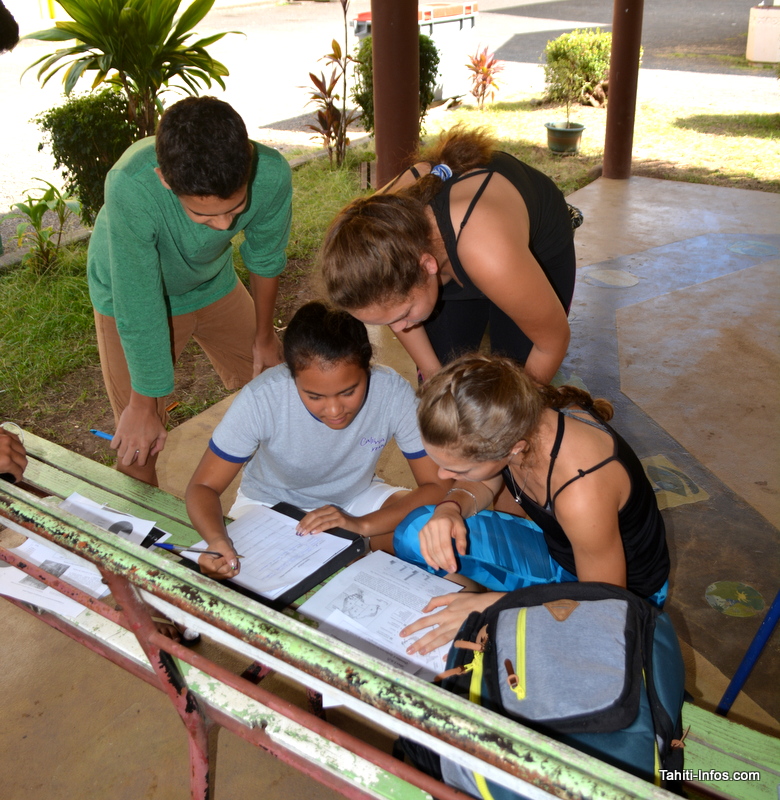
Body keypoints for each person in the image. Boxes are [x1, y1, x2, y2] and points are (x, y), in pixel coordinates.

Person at [394, 353, 670, 657]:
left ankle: (476, 613)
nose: (441, 476)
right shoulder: (516, 416)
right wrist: (451, 507)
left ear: (513, 449)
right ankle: (465, 610)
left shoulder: (581, 493)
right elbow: (487, 479)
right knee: (418, 532)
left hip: (619, 597)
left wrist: (495, 605)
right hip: (564, 557)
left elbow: (602, 606)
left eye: (458, 470)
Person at [87, 96, 292, 486]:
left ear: (247, 161)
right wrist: (145, 402)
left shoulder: (270, 174)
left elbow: (265, 259)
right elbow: (139, 300)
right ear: (165, 178)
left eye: (235, 208)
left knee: (277, 389)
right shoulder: (131, 185)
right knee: (139, 440)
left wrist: (265, 337)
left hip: (213, 283)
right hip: (130, 296)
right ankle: (144, 543)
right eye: (203, 214)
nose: (222, 225)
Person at [185, 301, 451, 580]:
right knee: (244, 583)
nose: (335, 411)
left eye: (349, 391)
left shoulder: (391, 391)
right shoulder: (263, 398)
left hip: (356, 499)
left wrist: (360, 524)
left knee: (431, 531)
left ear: (367, 366)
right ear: (291, 375)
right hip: (269, 507)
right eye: (314, 396)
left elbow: (436, 485)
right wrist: (216, 540)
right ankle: (353, 554)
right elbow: (203, 486)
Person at [320, 125, 575, 386]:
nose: (399, 329)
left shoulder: (487, 252)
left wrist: (518, 413)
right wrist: (435, 383)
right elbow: (432, 371)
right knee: (441, 377)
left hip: (533, 245)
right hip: (456, 253)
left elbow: (551, 344)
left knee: (513, 376)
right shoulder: (374, 243)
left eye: (402, 315)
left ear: (427, 265)